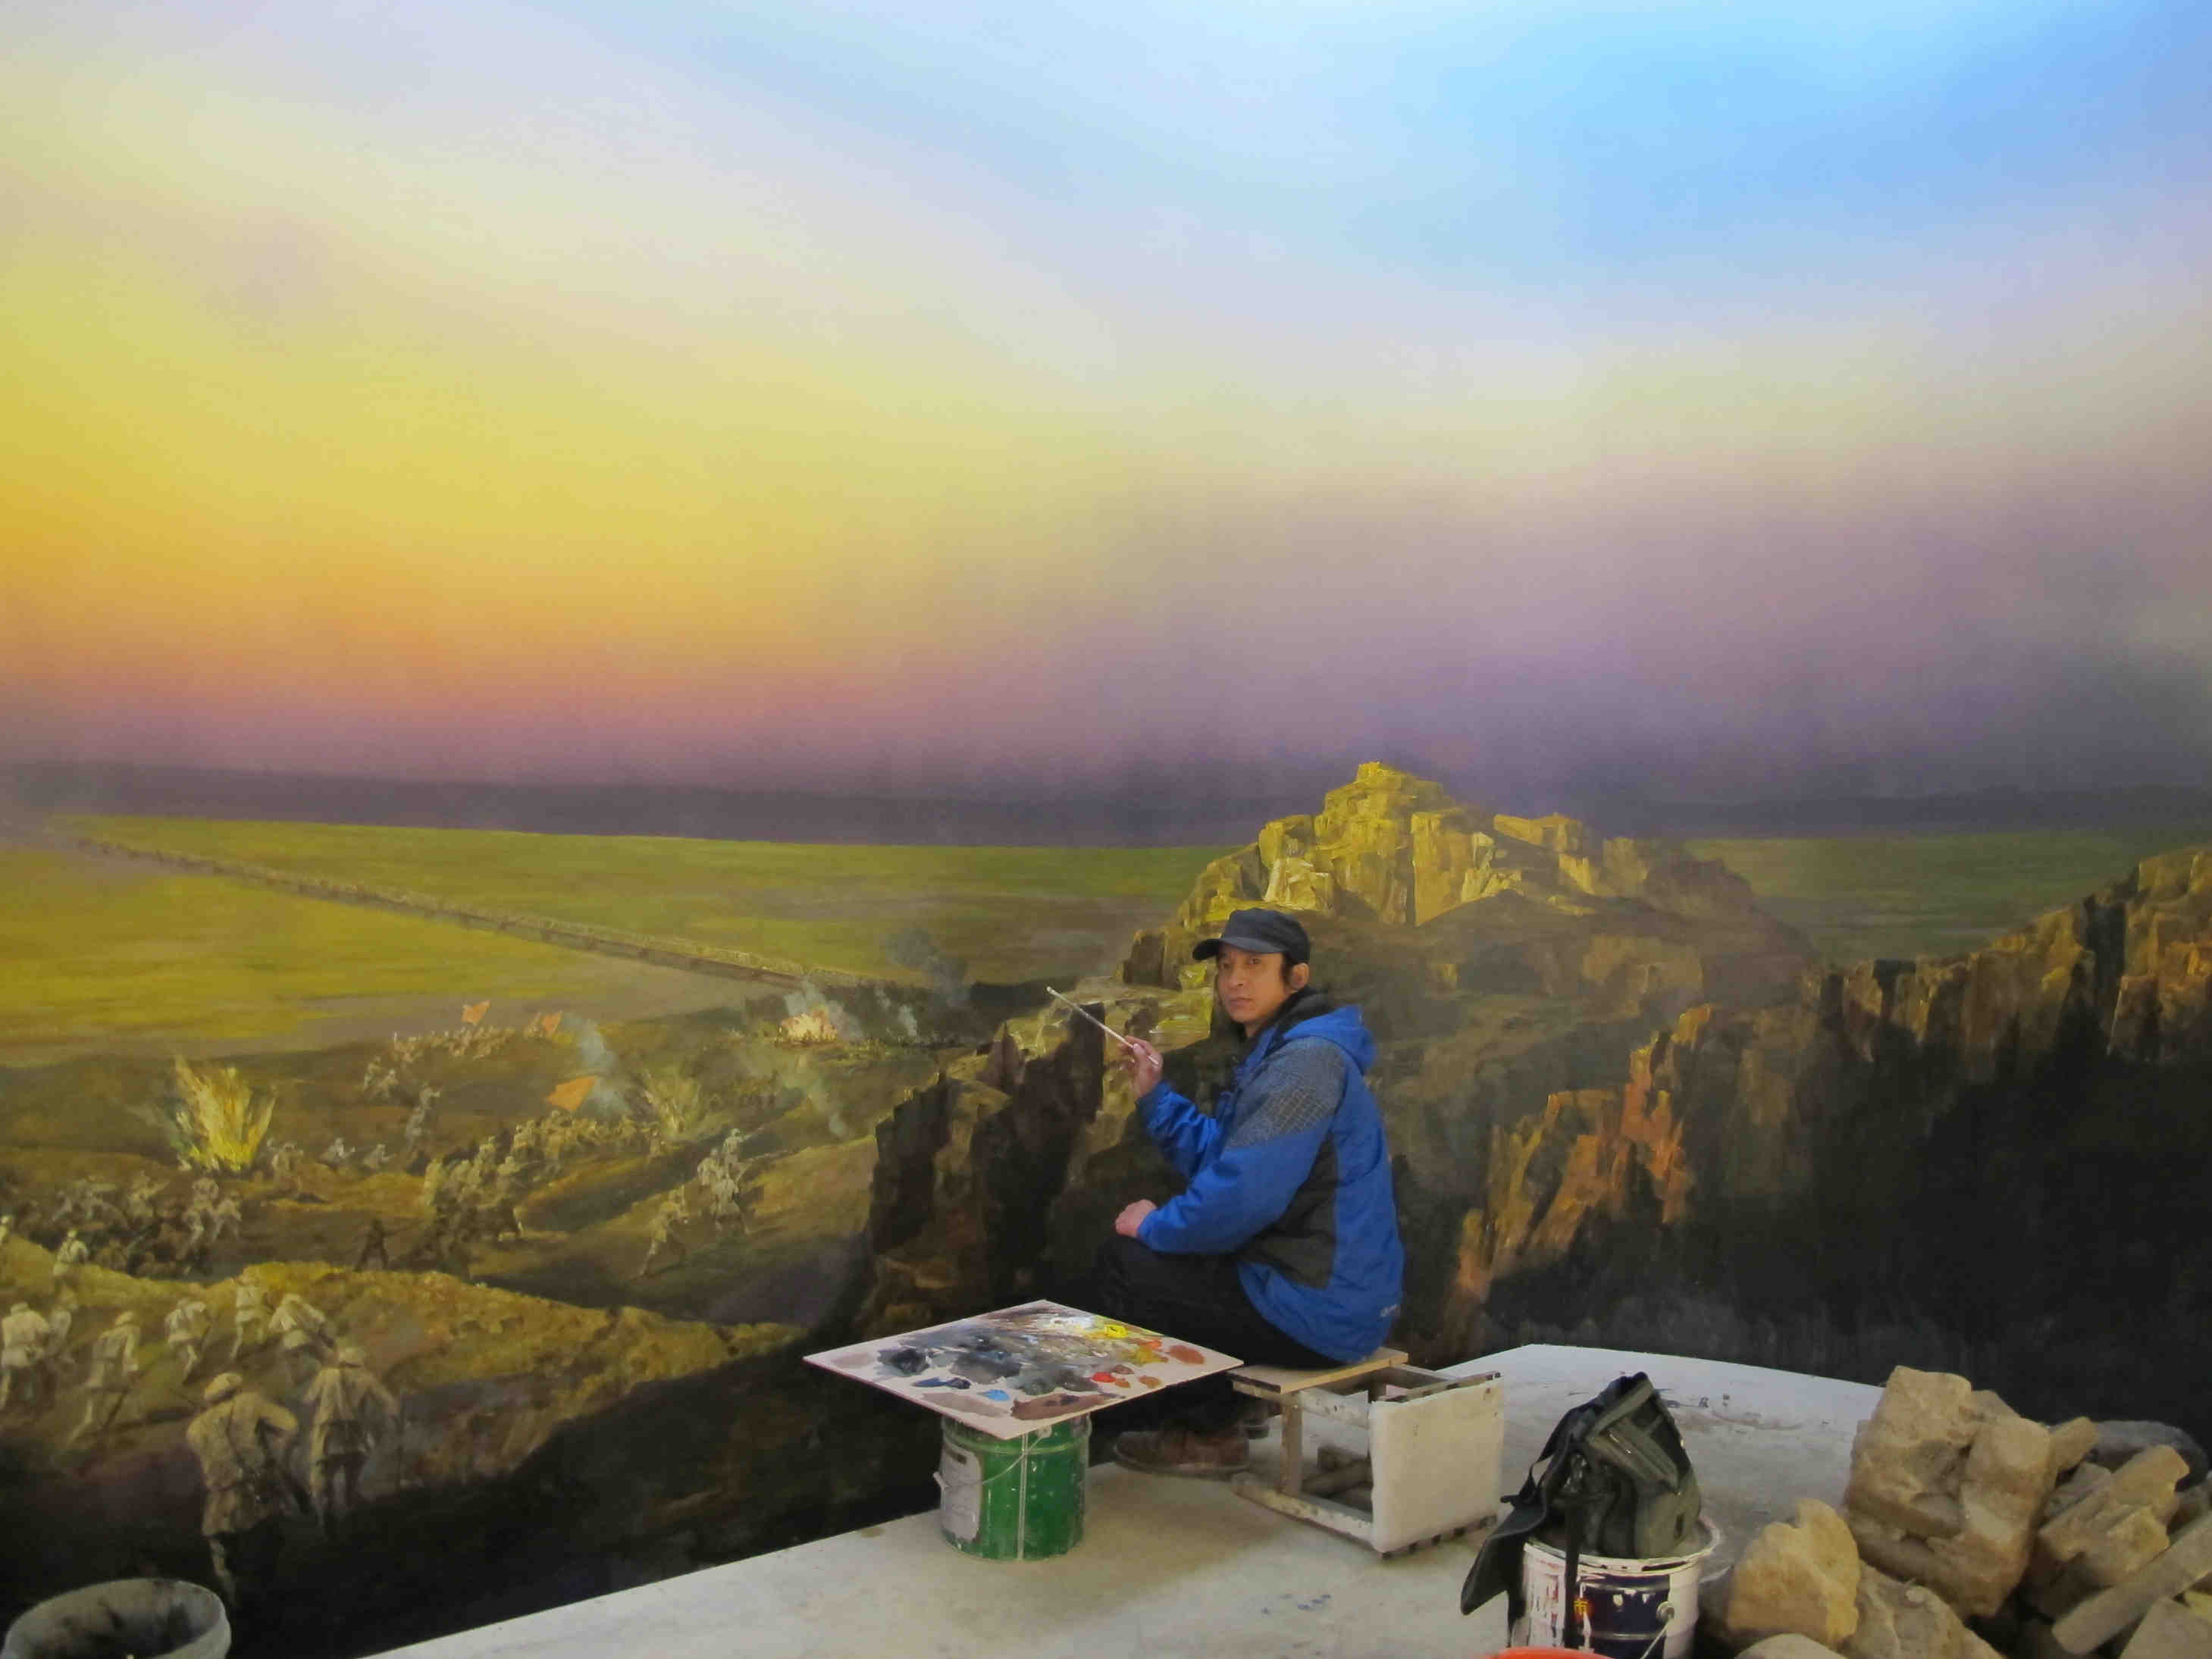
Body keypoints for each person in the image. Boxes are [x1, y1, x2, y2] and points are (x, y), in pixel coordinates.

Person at [1095, 907, 1404, 1479]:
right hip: (1330, 1297)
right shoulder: (1289, 1051)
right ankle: (1233, 1407)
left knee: (1128, 1263)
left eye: (1255, 966)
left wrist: (1152, 1226)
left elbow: (1239, 1200)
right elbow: (1230, 1159)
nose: (1234, 980)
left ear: (1296, 977)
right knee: (1182, 1259)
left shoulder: (1302, 1066)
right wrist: (1154, 1095)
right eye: (1227, 966)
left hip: (1318, 1313)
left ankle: (1209, 1431)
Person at [186, 1373, 299, 1610]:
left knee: (222, 1553)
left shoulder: (195, 1428)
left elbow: (204, 1454)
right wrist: (274, 1454)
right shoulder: (250, 1402)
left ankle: (236, 1605)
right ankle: (271, 1601)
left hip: (220, 1495)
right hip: (255, 1487)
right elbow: (290, 1426)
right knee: (270, 1542)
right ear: (235, 1391)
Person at [302, 1344, 400, 1540]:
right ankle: (353, 1525)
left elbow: (308, 1401)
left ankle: (328, 1527)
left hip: (327, 1434)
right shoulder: (367, 1378)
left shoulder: (326, 1375)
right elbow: (390, 1403)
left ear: (342, 1361)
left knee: (323, 1481)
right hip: (354, 1436)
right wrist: (394, 1421)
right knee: (351, 1484)